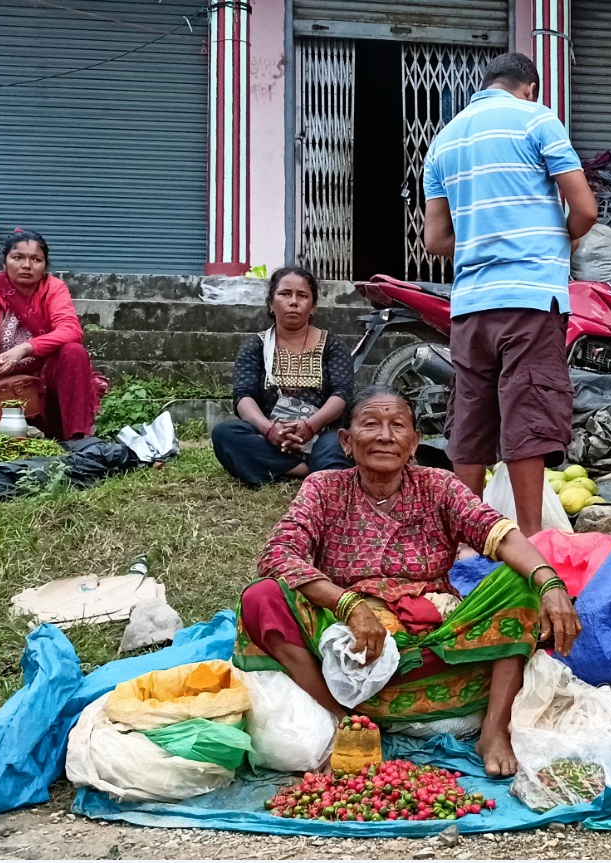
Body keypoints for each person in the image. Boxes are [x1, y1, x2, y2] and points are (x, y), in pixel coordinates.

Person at [233, 386, 582, 777]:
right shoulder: (324, 488)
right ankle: (346, 719)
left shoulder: (438, 485)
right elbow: (278, 554)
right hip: (350, 641)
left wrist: (550, 583)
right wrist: (348, 605)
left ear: (414, 442)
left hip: (433, 639)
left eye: (397, 425)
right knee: (261, 598)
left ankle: (494, 729)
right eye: (371, 425)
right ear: (346, 442)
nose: (385, 436)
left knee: (519, 583)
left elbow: (499, 533)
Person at [421, 52, 597, 536]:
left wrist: (482, 238)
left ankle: (464, 540)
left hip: (471, 306)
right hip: (530, 299)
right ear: (530, 87)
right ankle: (532, 540)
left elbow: (435, 241)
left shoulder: (444, 140)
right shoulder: (538, 120)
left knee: (471, 422)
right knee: (528, 416)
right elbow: (585, 208)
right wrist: (560, 235)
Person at [0, 230, 102, 439]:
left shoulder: (53, 288)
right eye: (18, 258)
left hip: (41, 370)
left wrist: (25, 348)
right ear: (5, 263)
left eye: (36, 259)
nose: (27, 265)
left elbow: (70, 329)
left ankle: (78, 440)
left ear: (44, 267)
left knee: (73, 352)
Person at [211, 266, 354, 486]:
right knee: (226, 434)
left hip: (320, 433)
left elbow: (342, 394)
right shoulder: (255, 346)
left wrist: (309, 426)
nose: (294, 301)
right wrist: (269, 430)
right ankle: (308, 469)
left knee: (337, 445)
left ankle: (282, 468)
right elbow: (243, 396)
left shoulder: (332, 345)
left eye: (302, 295)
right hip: (269, 435)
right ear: (271, 303)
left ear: (313, 307)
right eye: (285, 294)